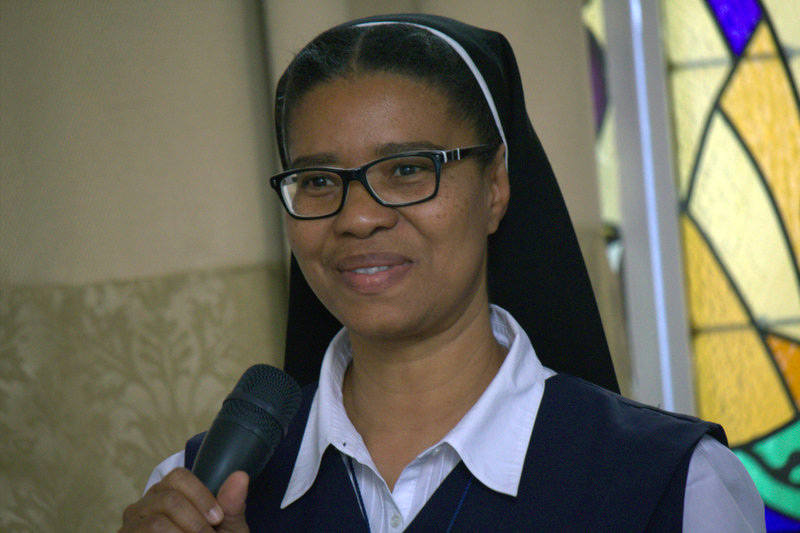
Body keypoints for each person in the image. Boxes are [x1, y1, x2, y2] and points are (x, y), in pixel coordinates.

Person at [120, 13, 764, 532]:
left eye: (407, 169)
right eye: (317, 180)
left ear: (495, 186)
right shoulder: (190, 494)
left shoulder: (675, 485)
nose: (358, 218)